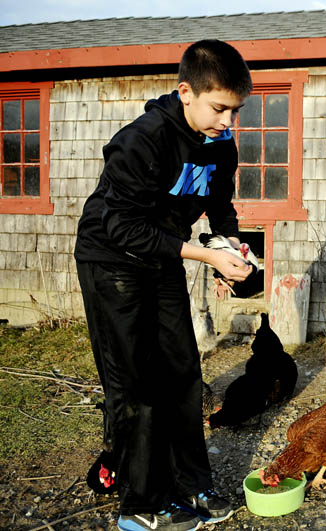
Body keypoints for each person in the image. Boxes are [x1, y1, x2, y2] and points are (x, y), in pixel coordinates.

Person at [74, 39, 254, 531]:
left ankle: (190, 484)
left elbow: (220, 206)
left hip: (163, 254)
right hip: (111, 259)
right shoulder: (143, 138)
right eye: (219, 108)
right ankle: (140, 504)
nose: (227, 122)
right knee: (135, 384)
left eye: (234, 111)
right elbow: (121, 226)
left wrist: (230, 248)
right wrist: (202, 253)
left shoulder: (220, 143)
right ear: (185, 92)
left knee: (182, 372)